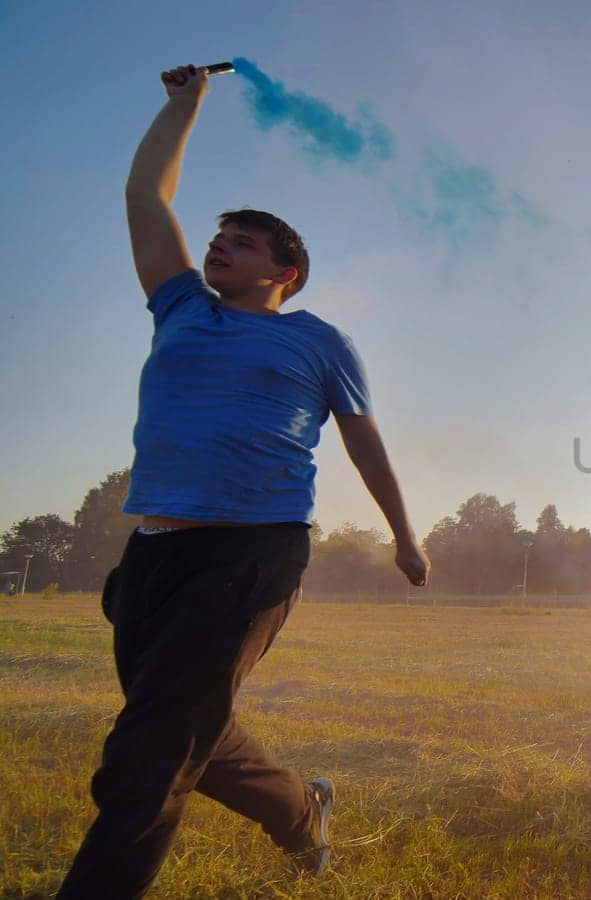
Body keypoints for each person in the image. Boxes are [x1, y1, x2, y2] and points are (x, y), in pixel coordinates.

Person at [59, 64, 430, 898]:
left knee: (147, 757)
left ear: (285, 273)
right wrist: (184, 105)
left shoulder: (318, 341)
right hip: (153, 553)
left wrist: (405, 537)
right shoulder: (181, 307)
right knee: (192, 727)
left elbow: (366, 445)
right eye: (220, 234)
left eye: (246, 241)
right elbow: (144, 199)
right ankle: (303, 810)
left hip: (252, 554)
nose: (221, 243)